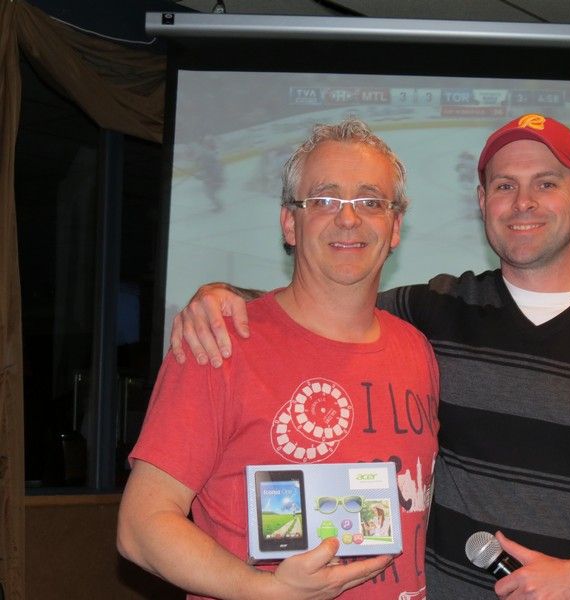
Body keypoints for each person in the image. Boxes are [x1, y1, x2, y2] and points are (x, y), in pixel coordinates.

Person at [168, 113, 570, 600]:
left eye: (546, 183)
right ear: (483, 202)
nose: (524, 202)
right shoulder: (435, 311)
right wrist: (220, 296)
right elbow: (325, 297)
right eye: (505, 185)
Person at [117, 118, 439, 600]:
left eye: (371, 202)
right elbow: (141, 526)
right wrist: (264, 591)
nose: (348, 219)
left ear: (395, 226)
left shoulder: (416, 351)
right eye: (324, 200)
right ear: (290, 222)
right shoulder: (220, 344)